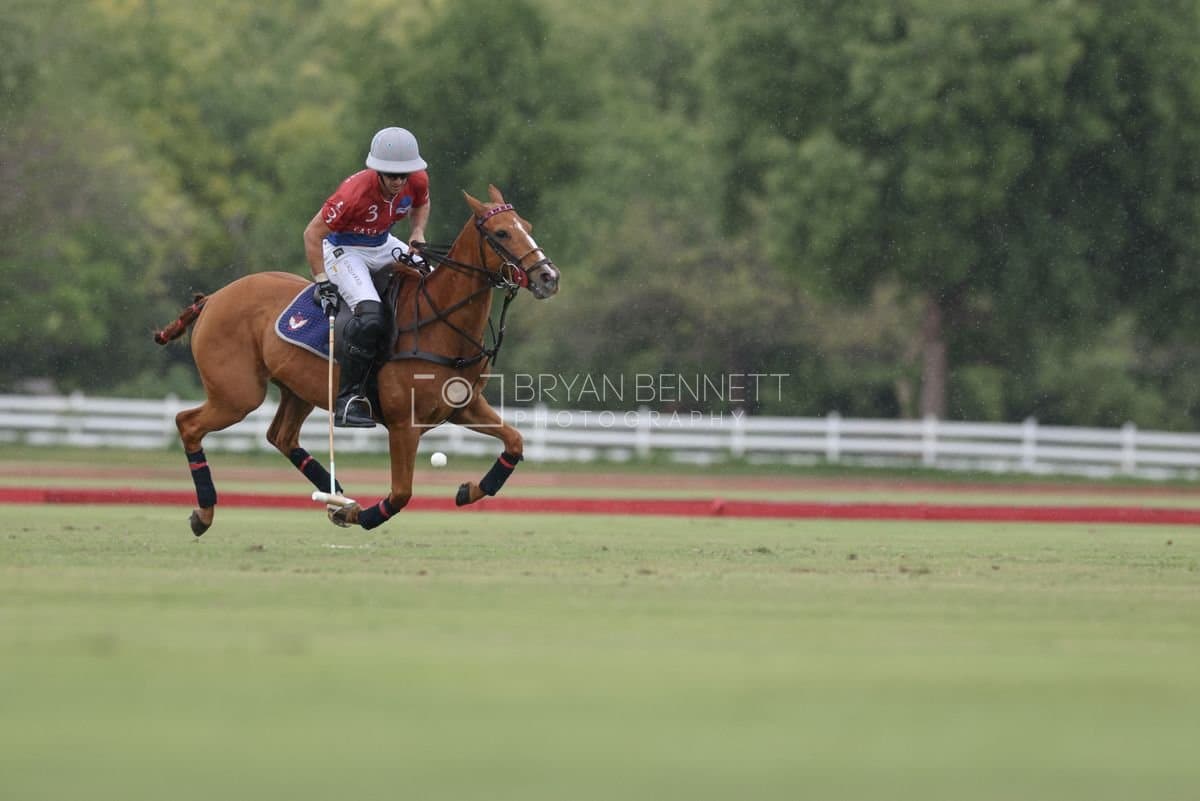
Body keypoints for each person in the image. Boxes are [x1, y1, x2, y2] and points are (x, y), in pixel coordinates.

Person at [303, 126, 431, 427]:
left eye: (404, 174)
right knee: (370, 315)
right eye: (392, 175)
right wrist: (322, 280)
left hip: (383, 243)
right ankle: (349, 399)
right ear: (377, 170)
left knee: (432, 282)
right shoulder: (352, 194)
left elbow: (422, 203)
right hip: (344, 250)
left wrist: (417, 231)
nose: (399, 181)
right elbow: (312, 233)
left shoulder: (417, 180)